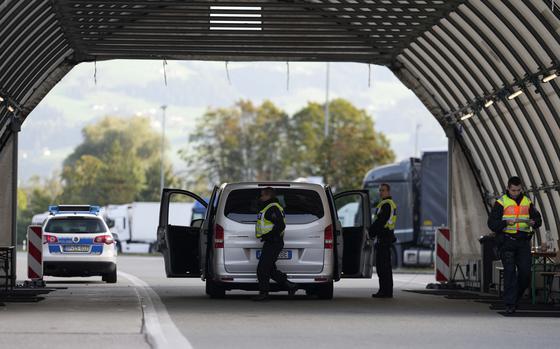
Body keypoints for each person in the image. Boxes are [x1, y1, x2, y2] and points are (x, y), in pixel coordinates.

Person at [487, 176, 542, 314]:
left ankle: (514, 298)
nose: (515, 193)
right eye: (513, 190)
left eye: (518, 190)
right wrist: (505, 223)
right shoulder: (501, 203)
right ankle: (510, 304)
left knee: (525, 274)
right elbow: (492, 224)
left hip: (523, 242)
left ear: (521, 188)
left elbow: (538, 219)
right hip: (507, 242)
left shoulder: (527, 201)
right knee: (509, 273)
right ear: (508, 188)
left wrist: (534, 222)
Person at [253, 187, 297, 301]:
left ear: (268, 196)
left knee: (262, 269)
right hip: (271, 242)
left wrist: (270, 236)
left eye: (262, 195)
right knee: (270, 269)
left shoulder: (272, 208)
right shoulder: (270, 207)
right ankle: (291, 286)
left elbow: (281, 225)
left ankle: (264, 293)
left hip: (274, 242)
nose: (261, 197)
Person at [369, 183, 397, 298]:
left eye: (383, 190)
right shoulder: (386, 204)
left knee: (382, 267)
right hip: (385, 238)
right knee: (385, 267)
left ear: (388, 191)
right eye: (380, 190)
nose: (381, 192)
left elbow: (380, 222)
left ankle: (384, 291)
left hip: (384, 238)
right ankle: (386, 291)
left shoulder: (386, 205)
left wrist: (370, 232)